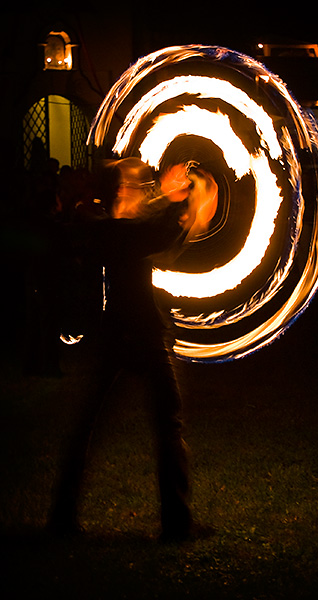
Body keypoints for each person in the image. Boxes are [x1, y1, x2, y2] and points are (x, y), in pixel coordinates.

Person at [48, 157, 200, 542]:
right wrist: (183, 199)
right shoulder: (113, 229)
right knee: (158, 424)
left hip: (123, 332)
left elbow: (155, 235)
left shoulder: (108, 225)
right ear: (121, 191)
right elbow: (153, 235)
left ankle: (63, 519)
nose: (147, 191)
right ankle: (175, 524)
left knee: (101, 424)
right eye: (140, 186)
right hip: (135, 335)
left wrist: (173, 198)